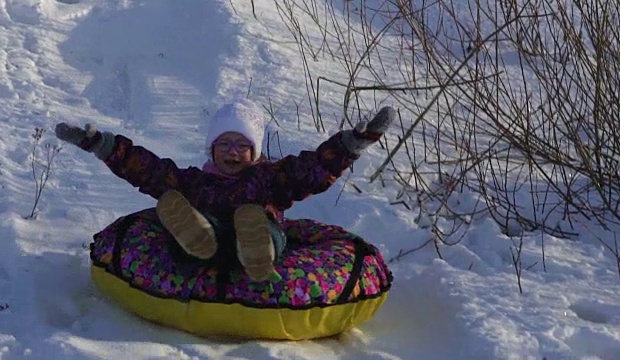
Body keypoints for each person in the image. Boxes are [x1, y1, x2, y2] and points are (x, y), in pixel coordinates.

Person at [55, 99, 395, 282]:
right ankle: (194, 234)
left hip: (257, 232)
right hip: (212, 242)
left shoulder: (270, 178)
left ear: (255, 153)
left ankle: (259, 250)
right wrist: (101, 145)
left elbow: (312, 170)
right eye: (225, 143)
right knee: (189, 217)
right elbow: (149, 170)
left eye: (242, 145)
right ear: (211, 149)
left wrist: (351, 145)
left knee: (262, 224)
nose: (233, 152)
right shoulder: (194, 181)